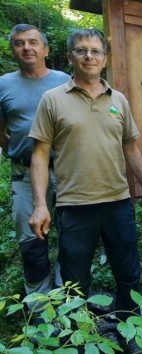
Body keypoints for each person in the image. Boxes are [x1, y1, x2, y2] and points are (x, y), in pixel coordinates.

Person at [28, 29, 142, 321]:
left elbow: (131, 147)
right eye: (81, 50)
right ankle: (79, 338)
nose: (89, 56)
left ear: (105, 59)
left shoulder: (119, 99)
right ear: (70, 56)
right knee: (75, 282)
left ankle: (127, 325)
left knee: (128, 274)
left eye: (95, 51)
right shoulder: (52, 99)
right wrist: (39, 204)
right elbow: (39, 154)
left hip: (117, 201)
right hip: (74, 205)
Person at [0, 24, 69, 310]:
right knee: (32, 243)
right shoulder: (3, 84)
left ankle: (67, 303)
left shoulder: (64, 80)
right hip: (25, 174)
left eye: (32, 42)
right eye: (19, 43)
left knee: (72, 238)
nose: (26, 47)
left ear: (45, 49)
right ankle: (39, 311)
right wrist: (16, 151)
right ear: (12, 50)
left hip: (67, 173)